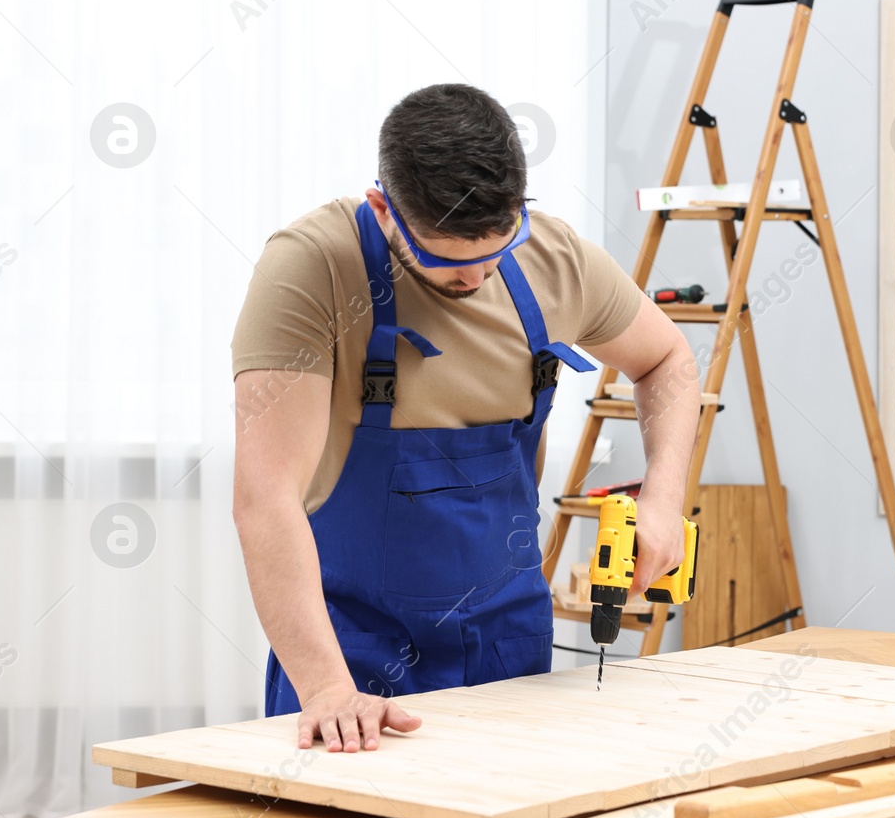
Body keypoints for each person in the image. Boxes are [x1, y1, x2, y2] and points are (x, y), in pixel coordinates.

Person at [230, 83, 698, 752]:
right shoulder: (311, 267)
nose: (475, 278)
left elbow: (668, 360)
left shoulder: (554, 260)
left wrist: (662, 495)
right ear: (383, 209)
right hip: (352, 659)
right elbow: (264, 498)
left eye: (495, 249)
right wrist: (326, 686)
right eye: (448, 262)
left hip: (507, 645)